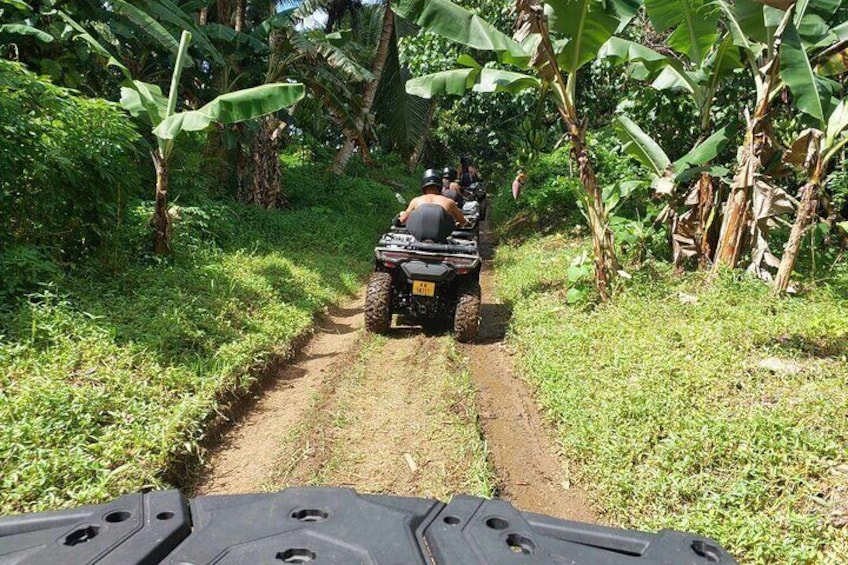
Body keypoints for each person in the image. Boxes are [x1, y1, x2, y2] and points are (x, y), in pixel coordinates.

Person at [400, 169, 468, 242]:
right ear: (440, 185)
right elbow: (463, 222)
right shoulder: (449, 202)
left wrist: (403, 213)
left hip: (418, 240)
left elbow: (402, 220)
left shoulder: (416, 201)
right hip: (441, 241)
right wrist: (466, 221)